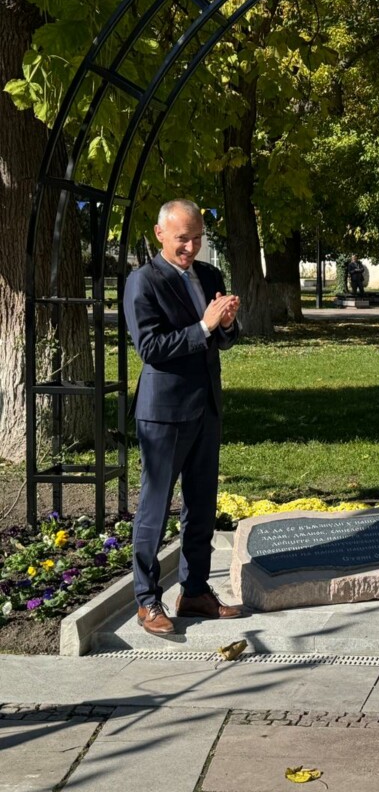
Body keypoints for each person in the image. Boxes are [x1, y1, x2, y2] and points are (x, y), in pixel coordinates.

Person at [124, 199, 244, 636]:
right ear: (160, 235)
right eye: (182, 239)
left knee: (201, 505)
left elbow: (224, 338)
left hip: (206, 406)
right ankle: (146, 600)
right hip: (164, 413)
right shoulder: (144, 281)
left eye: (197, 238)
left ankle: (194, 591)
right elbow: (151, 349)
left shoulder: (209, 275)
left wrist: (227, 324)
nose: (191, 247)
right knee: (155, 509)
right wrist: (206, 327)